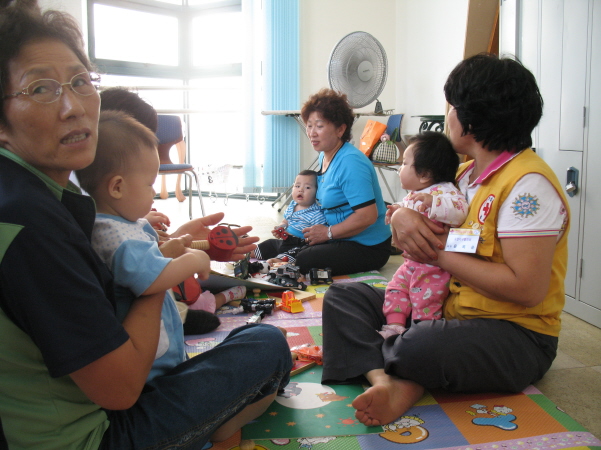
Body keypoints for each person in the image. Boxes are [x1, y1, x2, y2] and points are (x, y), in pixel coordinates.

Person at [0, 3, 291, 449]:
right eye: (41, 88)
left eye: (81, 82)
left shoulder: (40, 194)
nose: (73, 107)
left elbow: (117, 267)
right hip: (97, 434)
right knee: (267, 346)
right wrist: (156, 277)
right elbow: (121, 391)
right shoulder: (31, 225)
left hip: (86, 402)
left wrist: (172, 249)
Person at [321, 53, 570, 427]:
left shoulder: (526, 186)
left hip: (513, 333)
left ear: (471, 117)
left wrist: (437, 254)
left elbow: (527, 288)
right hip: (444, 308)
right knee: (342, 296)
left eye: (451, 106)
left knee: (422, 344)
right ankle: (387, 379)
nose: (447, 116)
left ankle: (399, 367)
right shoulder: (466, 174)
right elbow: (415, 212)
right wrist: (403, 216)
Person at [76, 110, 247, 380]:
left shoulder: (114, 223)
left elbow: (154, 250)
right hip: (152, 368)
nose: (154, 193)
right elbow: (152, 279)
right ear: (117, 188)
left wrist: (182, 240)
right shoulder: (118, 235)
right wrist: (194, 260)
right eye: (149, 185)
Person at [291, 88, 391, 276]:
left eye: (319, 126)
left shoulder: (351, 162)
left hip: (368, 246)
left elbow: (367, 216)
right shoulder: (325, 156)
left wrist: (327, 233)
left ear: (340, 129)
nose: (312, 133)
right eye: (309, 125)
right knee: (283, 245)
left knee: (303, 259)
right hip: (340, 237)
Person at [380, 131, 468, 338]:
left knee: (425, 300)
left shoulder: (445, 191)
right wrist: (396, 210)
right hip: (410, 263)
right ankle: (394, 324)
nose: (399, 169)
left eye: (404, 163)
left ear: (425, 174)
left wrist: (434, 203)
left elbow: (459, 213)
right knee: (394, 289)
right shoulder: (413, 195)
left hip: (433, 268)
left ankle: (422, 333)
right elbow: (406, 207)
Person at [253, 169, 327, 266]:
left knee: (295, 254)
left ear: (317, 192)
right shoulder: (292, 205)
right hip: (286, 241)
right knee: (270, 243)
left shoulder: (316, 213)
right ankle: (251, 252)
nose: (300, 190)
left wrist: (307, 240)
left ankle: (278, 261)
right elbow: (286, 220)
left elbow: (318, 236)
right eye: (297, 186)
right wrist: (281, 227)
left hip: (300, 244)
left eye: (307, 187)